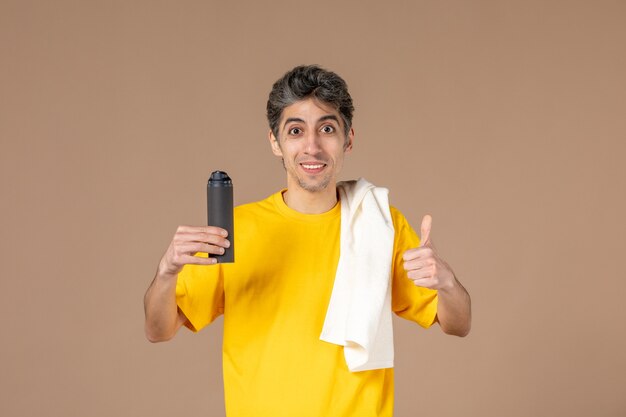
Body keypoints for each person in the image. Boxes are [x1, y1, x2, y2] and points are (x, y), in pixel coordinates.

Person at [144, 65, 471, 417]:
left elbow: (458, 323)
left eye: (327, 129)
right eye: (296, 130)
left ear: (348, 139)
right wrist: (166, 274)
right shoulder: (235, 229)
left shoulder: (379, 225)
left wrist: (447, 283)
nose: (312, 146)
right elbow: (158, 330)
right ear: (275, 142)